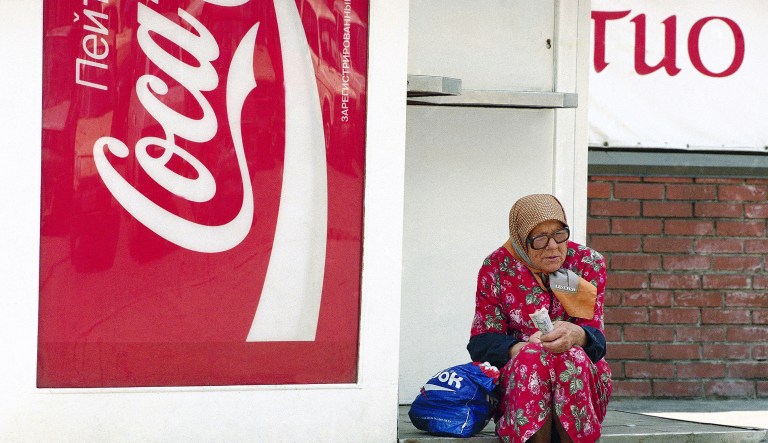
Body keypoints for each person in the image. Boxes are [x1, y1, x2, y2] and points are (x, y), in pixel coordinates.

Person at [467, 194, 612, 443]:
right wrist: (522, 348)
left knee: (572, 356)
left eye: (559, 234)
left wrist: (577, 335)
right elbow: (481, 343)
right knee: (532, 358)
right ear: (522, 241)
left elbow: (597, 342)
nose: (553, 246)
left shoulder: (588, 262)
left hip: (580, 378)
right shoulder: (497, 267)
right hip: (521, 381)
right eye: (539, 239)